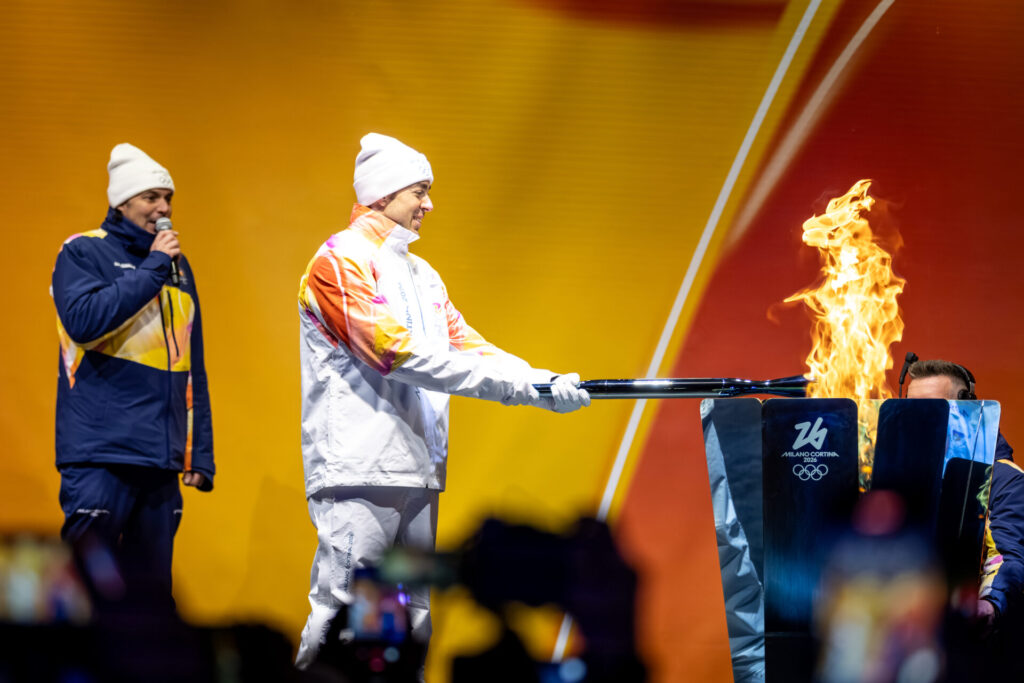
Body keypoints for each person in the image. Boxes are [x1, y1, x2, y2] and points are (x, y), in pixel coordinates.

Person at [295, 133, 590, 667]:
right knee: (350, 615)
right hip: (361, 470)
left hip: (418, 468)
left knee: (410, 618)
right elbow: (396, 353)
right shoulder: (338, 261)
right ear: (384, 194)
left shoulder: (422, 274)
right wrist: (519, 388)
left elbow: (468, 347)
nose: (429, 204)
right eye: (420, 191)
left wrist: (541, 383)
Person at [51, 143, 214, 607]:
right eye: (150, 198)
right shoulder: (83, 251)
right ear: (122, 202)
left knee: (153, 602)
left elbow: (190, 364)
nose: (163, 209)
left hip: (159, 459)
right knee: (81, 593)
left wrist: (198, 451)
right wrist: (154, 267)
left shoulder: (179, 270)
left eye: (168, 198)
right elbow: (85, 322)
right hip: (101, 453)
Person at [905, 359, 1023, 674]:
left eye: (933, 409)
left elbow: (1010, 556)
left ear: (967, 412)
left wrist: (990, 604)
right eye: (911, 409)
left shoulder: (1004, 479)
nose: (919, 420)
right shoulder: (898, 471)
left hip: (970, 649)